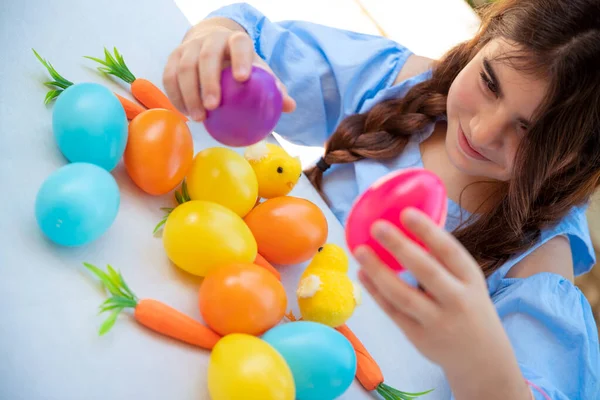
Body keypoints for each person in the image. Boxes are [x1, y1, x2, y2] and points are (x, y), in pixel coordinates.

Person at [162, 1, 600, 398]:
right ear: (482, 41)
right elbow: (252, 38)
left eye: (527, 130)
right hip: (218, 291)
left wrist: (480, 357)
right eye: (489, 82)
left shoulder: (540, 263)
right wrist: (217, 41)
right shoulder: (401, 83)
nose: (482, 131)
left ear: (576, 159)